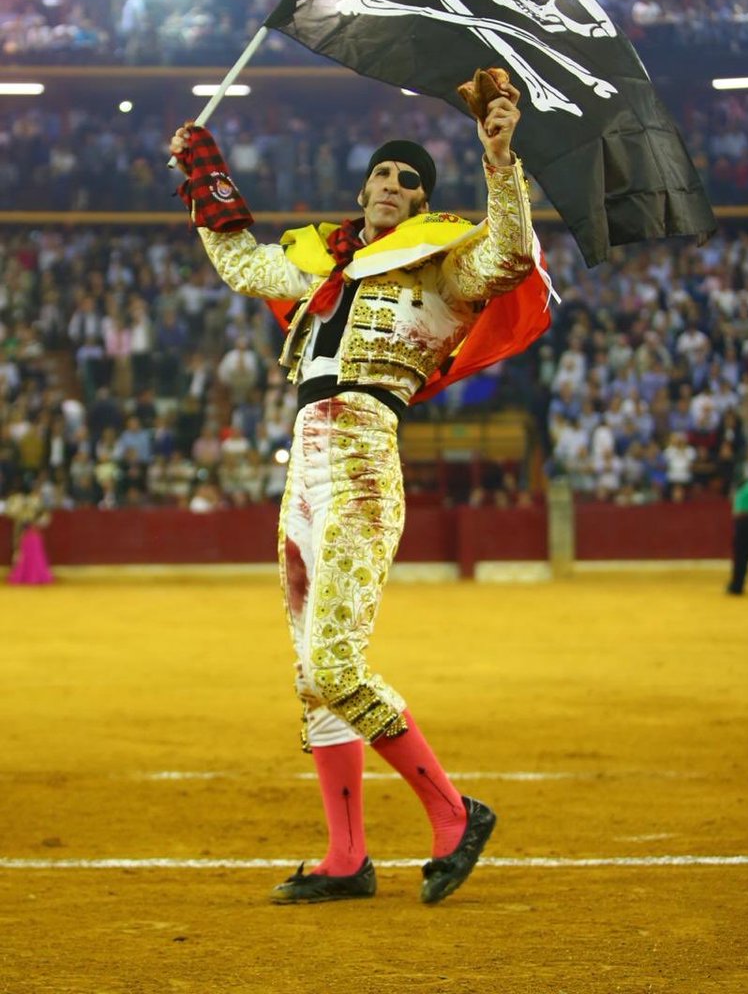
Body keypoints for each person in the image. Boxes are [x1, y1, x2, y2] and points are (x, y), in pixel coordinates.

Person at [169, 72, 551, 906]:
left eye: (411, 181)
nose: (395, 186)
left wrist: (499, 158)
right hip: (303, 461)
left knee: (337, 660)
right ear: (364, 186)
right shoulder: (321, 265)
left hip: (364, 457)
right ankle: (347, 859)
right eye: (385, 173)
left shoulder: (440, 268)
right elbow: (241, 261)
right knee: (312, 672)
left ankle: (454, 813)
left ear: (422, 207)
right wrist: (205, 174)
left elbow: (510, 255)